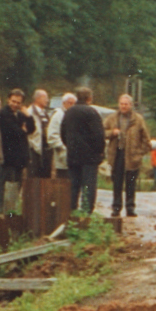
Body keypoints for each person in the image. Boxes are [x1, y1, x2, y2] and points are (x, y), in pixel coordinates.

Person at [59, 87, 106, 216]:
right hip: (89, 156)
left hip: (73, 154)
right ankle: (86, 212)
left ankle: (71, 210)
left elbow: (62, 133)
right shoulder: (91, 112)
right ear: (89, 98)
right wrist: (100, 151)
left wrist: (69, 145)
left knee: (73, 184)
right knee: (88, 185)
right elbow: (99, 135)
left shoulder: (68, 112)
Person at [103, 93, 151, 217]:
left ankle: (130, 207)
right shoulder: (112, 118)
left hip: (132, 155)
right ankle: (116, 207)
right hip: (117, 154)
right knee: (117, 182)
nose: (123, 106)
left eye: (126, 104)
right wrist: (111, 133)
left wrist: (140, 153)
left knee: (131, 183)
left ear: (130, 105)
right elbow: (101, 131)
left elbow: (146, 139)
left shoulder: (138, 119)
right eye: (121, 104)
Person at [0, 88, 35, 211]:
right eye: (13, 101)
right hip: (9, 158)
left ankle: (12, 209)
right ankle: (7, 211)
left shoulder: (20, 114)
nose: (15, 104)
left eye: (18, 102)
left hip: (20, 158)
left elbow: (31, 129)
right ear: (8, 100)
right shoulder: (3, 113)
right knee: (9, 185)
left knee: (17, 185)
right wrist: (22, 130)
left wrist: (28, 116)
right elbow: (13, 132)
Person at [48, 92, 75, 178]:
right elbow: (52, 136)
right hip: (62, 159)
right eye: (70, 103)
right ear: (63, 103)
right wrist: (63, 148)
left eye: (74, 103)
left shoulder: (74, 115)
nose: (72, 105)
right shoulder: (58, 116)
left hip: (74, 159)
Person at [30, 89, 55, 179]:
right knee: (34, 177)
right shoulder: (30, 112)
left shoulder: (45, 113)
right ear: (37, 98)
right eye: (45, 98)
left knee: (45, 178)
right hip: (35, 150)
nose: (47, 100)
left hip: (46, 151)